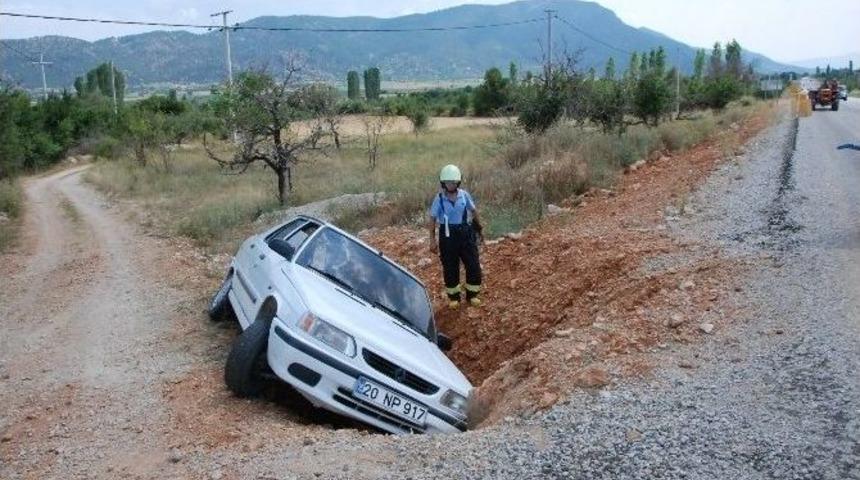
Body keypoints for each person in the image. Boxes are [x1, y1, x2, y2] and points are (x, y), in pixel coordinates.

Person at [428, 164, 484, 309]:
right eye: (447, 182)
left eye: (453, 182)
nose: (450, 185)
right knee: (450, 266)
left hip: (465, 233)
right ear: (443, 183)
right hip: (447, 237)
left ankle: (472, 295)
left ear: (458, 182)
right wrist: (432, 240)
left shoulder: (464, 195)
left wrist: (479, 229)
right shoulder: (439, 198)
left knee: (472, 264)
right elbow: (432, 219)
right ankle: (454, 298)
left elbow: (473, 211)